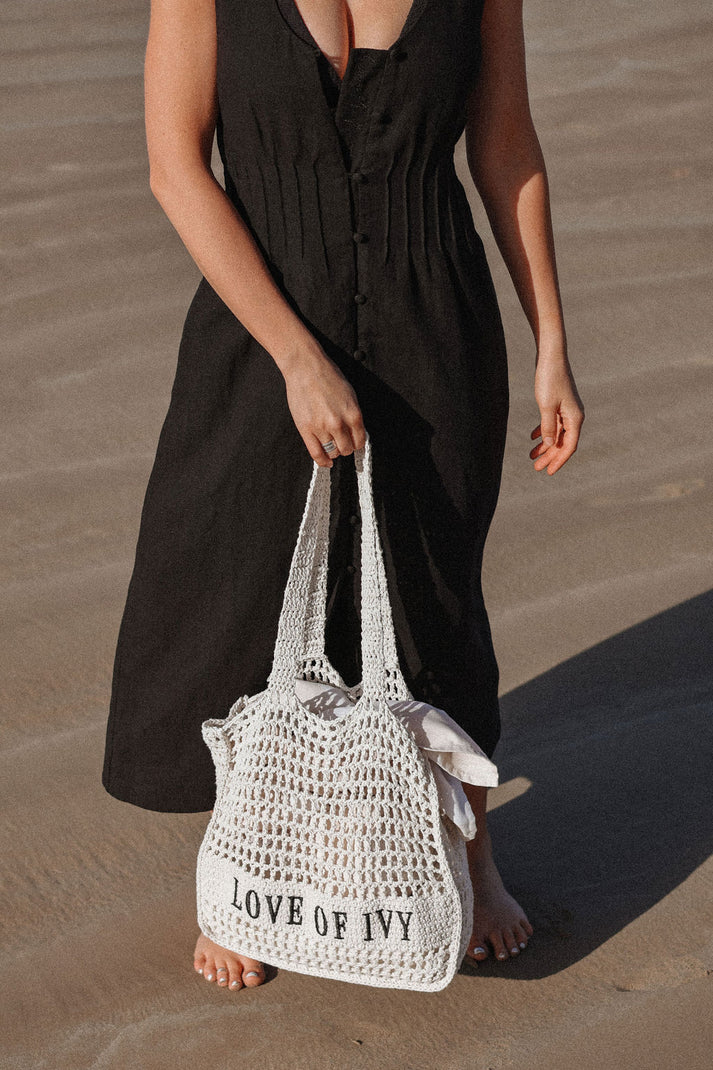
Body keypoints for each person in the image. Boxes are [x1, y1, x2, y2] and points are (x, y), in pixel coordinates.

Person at [103, 0, 584, 992]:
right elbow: (175, 169)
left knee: (430, 592)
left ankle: (472, 857)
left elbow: (505, 147)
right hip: (259, 326)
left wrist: (551, 344)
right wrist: (295, 357)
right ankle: (245, 865)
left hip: (433, 323)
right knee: (230, 578)